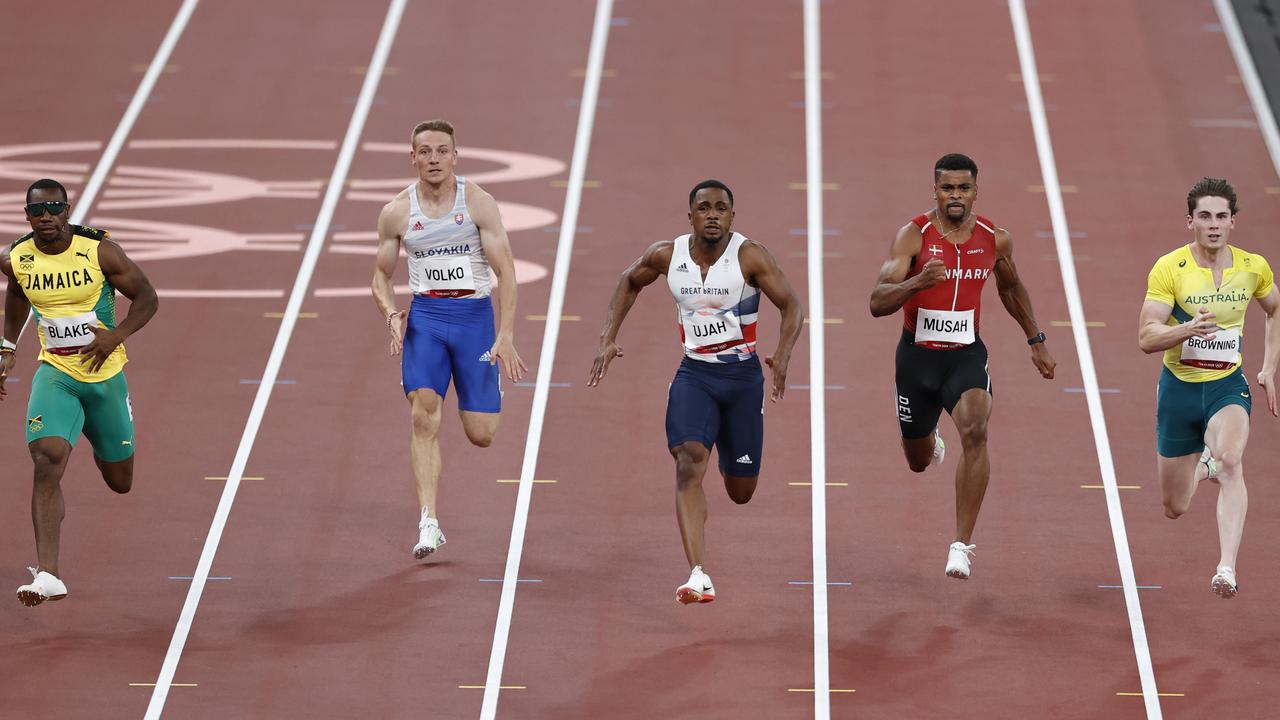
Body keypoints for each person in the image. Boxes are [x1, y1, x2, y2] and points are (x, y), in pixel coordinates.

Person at [588, 179, 802, 604]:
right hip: (695, 376)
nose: (712, 214)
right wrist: (607, 337)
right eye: (704, 208)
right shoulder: (668, 255)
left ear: (732, 216)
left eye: (721, 208)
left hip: (743, 381)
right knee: (688, 463)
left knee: (741, 492)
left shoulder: (750, 256)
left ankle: (726, 447)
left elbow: (792, 304)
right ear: (690, 216)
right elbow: (629, 281)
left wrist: (783, 354)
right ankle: (698, 574)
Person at [869, 153, 1055, 580]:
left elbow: (1010, 288)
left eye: (964, 188)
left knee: (976, 428)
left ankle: (960, 544)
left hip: (965, 356)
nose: (956, 195)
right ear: (934, 190)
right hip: (916, 358)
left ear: (976, 191)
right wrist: (918, 281)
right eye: (948, 188)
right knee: (917, 461)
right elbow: (876, 301)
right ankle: (929, 438)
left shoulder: (994, 238)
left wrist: (1036, 340)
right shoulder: (912, 237)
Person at [372, 119, 527, 559]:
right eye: (426, 151)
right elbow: (380, 277)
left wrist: (506, 334)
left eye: (443, 151)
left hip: (474, 319)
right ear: (413, 157)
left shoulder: (477, 203)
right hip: (427, 320)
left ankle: (481, 389)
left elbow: (507, 272)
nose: (434, 159)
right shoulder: (397, 212)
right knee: (424, 415)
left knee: (481, 434)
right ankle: (429, 522)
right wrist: (390, 315)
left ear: (455, 156)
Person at [1, 178, 159, 606]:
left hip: (105, 376)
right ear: (27, 216)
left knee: (119, 481)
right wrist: (8, 346)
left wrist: (116, 336)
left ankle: (97, 435)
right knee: (46, 458)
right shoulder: (16, 257)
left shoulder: (98, 251)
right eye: (37, 210)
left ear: (67, 210)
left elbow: (147, 297)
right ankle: (48, 575)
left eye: (54, 208)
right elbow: (18, 293)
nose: (46, 217)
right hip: (57, 373)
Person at [1138, 177, 1277, 599]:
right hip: (1179, 390)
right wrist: (1187, 329)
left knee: (1233, 459)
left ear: (1233, 222)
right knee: (1175, 506)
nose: (1213, 224)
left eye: (1221, 217)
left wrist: (1269, 367)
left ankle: (1226, 569)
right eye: (1204, 217)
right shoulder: (1170, 268)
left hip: (1226, 386)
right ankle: (1204, 465)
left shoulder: (1254, 267)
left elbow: (1274, 311)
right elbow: (1146, 337)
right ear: (1190, 222)